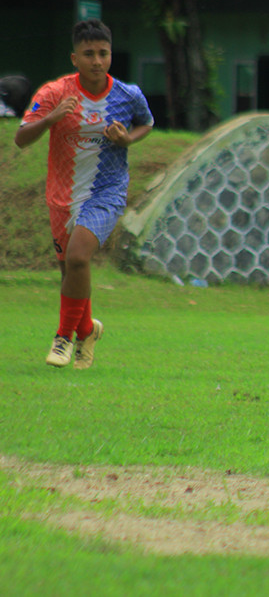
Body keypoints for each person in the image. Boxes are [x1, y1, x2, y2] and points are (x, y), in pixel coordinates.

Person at [15, 19, 154, 368]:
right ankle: (88, 330)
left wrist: (127, 139)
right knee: (70, 273)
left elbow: (146, 122)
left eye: (103, 53)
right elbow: (21, 138)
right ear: (74, 58)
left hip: (106, 191)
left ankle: (63, 338)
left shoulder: (127, 95)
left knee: (78, 258)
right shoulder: (55, 93)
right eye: (89, 54)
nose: (97, 61)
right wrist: (51, 119)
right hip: (62, 194)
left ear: (111, 55)